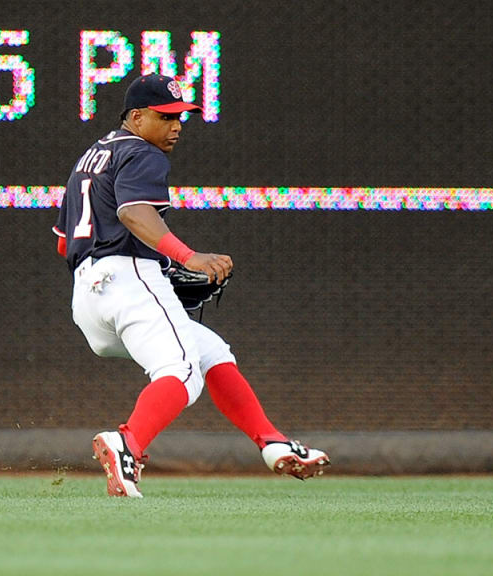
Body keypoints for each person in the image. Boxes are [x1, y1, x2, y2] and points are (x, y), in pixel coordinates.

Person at [52, 74, 329, 498]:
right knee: (181, 373)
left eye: (181, 116)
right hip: (129, 278)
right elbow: (132, 212)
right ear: (137, 117)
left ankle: (271, 441)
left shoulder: (90, 156)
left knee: (210, 352)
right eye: (166, 117)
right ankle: (127, 442)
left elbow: (62, 242)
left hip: (88, 296)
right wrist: (185, 257)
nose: (177, 126)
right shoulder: (142, 152)